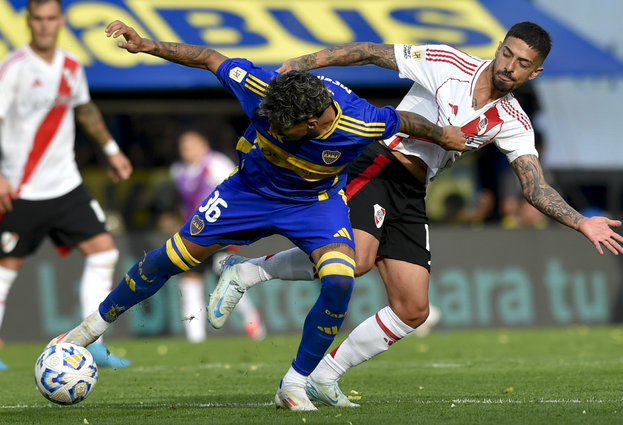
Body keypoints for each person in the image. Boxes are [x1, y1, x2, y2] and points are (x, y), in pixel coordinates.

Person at [47, 19, 467, 411]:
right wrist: (147, 45)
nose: (276, 128)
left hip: (315, 204)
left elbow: (407, 120)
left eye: (288, 128)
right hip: (246, 193)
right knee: (170, 260)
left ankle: (295, 384)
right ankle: (87, 331)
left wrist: (443, 134)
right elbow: (210, 58)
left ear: (314, 124)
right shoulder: (264, 90)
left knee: (340, 279)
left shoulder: (361, 120)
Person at [208, 21, 623, 408]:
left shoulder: (513, 121)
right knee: (356, 260)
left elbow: (533, 186)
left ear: (534, 73)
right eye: (507, 54)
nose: (509, 67)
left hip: (413, 189)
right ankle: (250, 275)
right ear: (499, 47)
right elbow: (372, 51)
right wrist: (302, 63)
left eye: (523, 64)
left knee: (413, 309)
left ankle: (325, 375)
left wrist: (581, 221)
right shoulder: (450, 63)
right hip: (377, 161)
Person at [0, 0, 133, 370]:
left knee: (104, 251)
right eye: (38, 19)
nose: (44, 26)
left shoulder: (72, 66)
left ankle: (94, 344)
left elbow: (85, 109)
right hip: (23, 187)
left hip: (66, 184)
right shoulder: (12, 69)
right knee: (6, 267)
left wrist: (111, 150)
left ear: (60, 21)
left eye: (50, 19)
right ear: (28, 22)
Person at [170, 130, 265, 342]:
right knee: (190, 281)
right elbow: (183, 203)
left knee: (228, 280)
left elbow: (236, 192)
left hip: (220, 233)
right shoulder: (177, 171)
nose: (186, 150)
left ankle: (251, 320)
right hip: (193, 236)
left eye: (190, 144)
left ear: (203, 145)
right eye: (183, 146)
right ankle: (195, 338)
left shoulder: (216, 164)